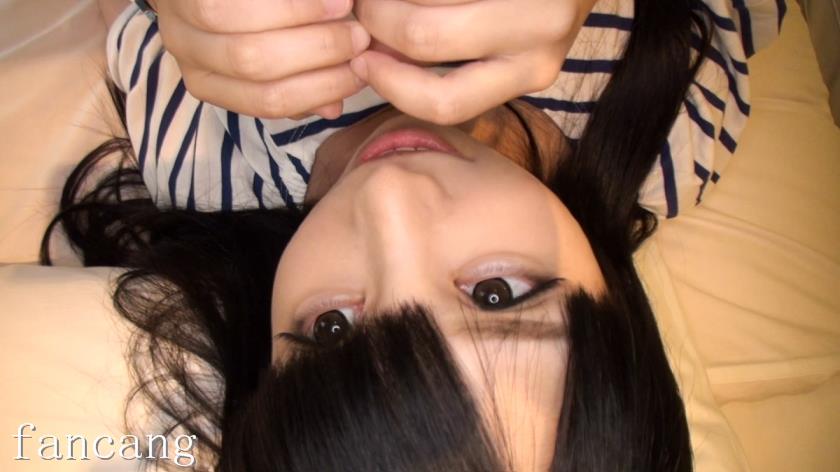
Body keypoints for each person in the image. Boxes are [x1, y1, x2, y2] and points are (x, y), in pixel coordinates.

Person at [41, 0, 784, 470]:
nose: (387, 202)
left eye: (331, 329)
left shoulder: (210, 161)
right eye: (497, 294)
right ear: (621, 311)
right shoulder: (672, 131)